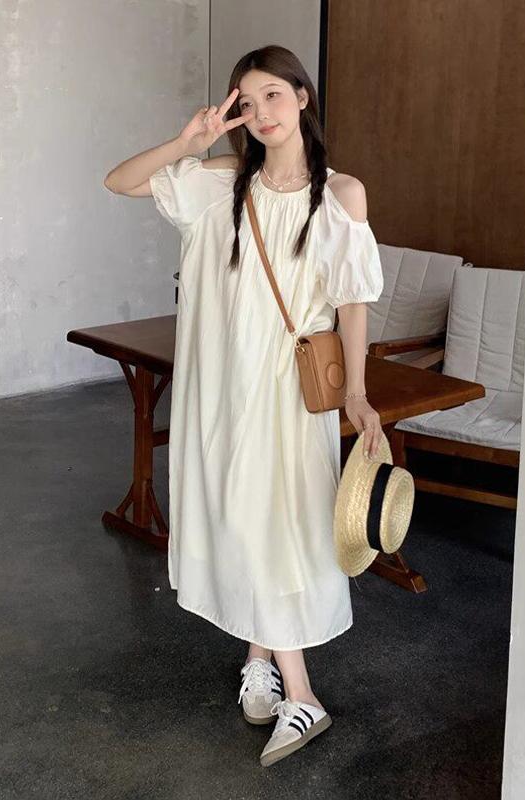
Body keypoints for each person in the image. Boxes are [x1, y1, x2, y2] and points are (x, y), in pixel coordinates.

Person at [104, 44, 384, 766]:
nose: (261, 113)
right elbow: (119, 181)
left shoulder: (341, 195)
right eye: (246, 102)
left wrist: (356, 393)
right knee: (243, 516)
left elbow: (353, 301)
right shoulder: (223, 182)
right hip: (224, 386)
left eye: (272, 96)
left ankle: (302, 694)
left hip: (289, 393)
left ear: (302, 96)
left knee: (277, 525)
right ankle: (259, 660)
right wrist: (187, 142)